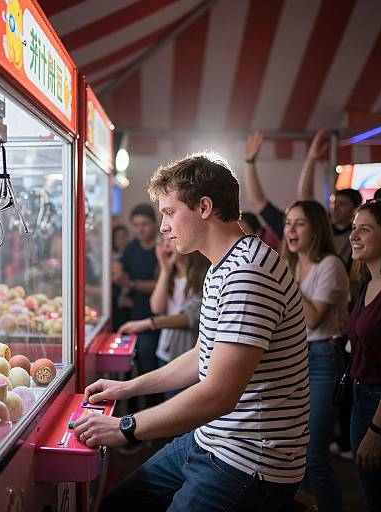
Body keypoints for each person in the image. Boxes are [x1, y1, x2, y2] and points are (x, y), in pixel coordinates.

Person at [74, 153, 310, 511]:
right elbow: (201, 355)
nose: (163, 227)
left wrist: (126, 426)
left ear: (204, 207)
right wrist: (128, 387)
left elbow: (218, 395)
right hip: (215, 440)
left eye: (169, 212)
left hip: (249, 462)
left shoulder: (248, 273)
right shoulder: (221, 266)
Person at [281, 200, 349, 512]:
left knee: (313, 452)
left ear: (316, 228)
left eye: (300, 223)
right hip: (295, 358)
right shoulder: (290, 263)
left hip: (323, 359)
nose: (290, 230)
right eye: (287, 223)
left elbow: (313, 319)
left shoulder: (329, 265)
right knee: (294, 450)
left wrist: (288, 280)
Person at [244, 130, 363, 270]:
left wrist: (311, 159)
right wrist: (249, 162)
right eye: (333, 202)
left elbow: (305, 196)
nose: (291, 228)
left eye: (300, 223)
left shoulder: (347, 238)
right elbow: (258, 200)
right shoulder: (295, 254)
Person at [347, 200, 381, 512]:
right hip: (359, 396)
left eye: (364, 229)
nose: (354, 235)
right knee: (372, 493)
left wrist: (377, 430)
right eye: (354, 228)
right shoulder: (366, 282)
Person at [118, 238, 209, 399]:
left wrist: (148, 323)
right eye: (163, 242)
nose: (166, 246)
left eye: (171, 240)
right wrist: (165, 270)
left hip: (187, 355)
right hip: (165, 351)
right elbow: (157, 307)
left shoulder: (203, 274)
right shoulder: (168, 273)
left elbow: (190, 318)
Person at [112, 204, 160, 405]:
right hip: (132, 316)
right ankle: (131, 416)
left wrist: (131, 283)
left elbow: (161, 286)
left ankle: (153, 415)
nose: (140, 229)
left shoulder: (161, 249)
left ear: (155, 224)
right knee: (132, 368)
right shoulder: (131, 249)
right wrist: (118, 277)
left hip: (156, 319)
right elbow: (120, 276)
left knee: (151, 370)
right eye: (136, 225)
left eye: (145, 224)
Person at [112, 224, 131, 331]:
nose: (121, 240)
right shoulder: (110, 258)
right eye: (118, 237)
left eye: (124, 236)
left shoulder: (131, 254)